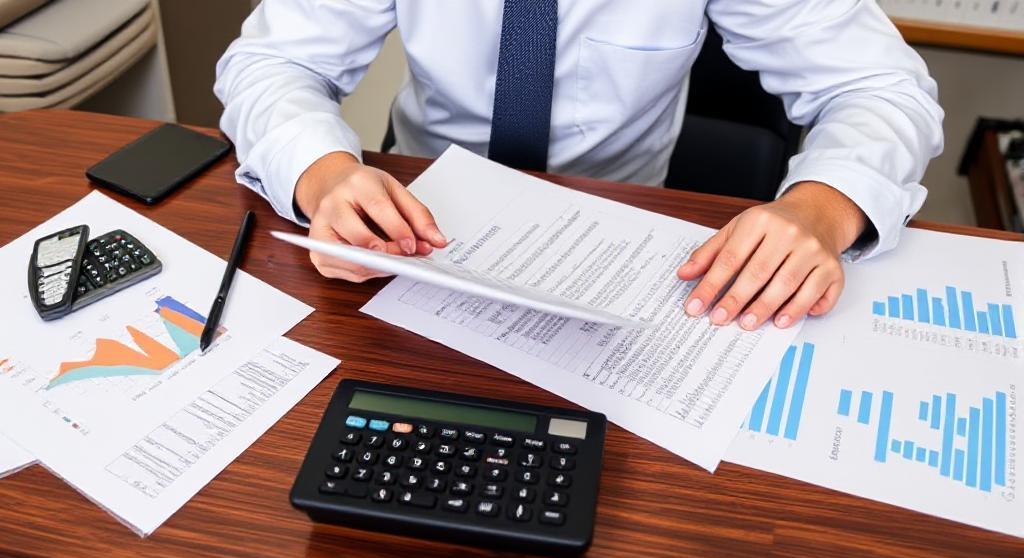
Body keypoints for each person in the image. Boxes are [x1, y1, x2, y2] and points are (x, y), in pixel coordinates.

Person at [215, 0, 943, 331]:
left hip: (625, 245)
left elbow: (880, 86)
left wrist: (817, 210)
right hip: (417, 234)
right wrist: (323, 174)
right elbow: (272, 62)